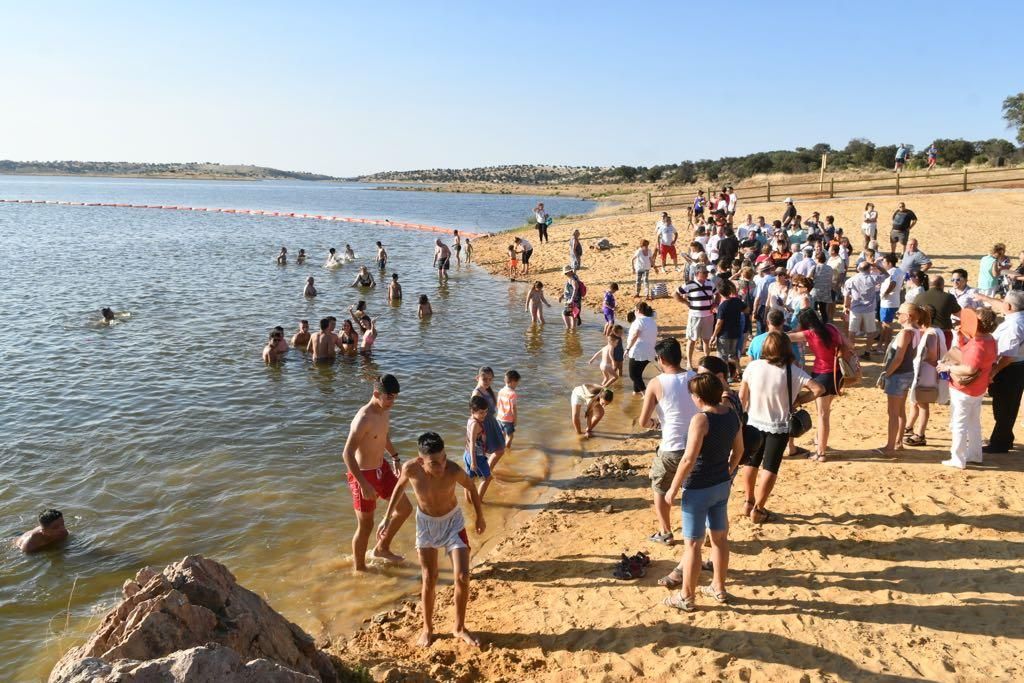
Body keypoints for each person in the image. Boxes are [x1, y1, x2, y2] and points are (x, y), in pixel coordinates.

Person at [378, 432, 484, 648]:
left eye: (443, 458)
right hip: (426, 525)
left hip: (452, 522)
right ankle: (427, 629)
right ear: (420, 461)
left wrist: (480, 516)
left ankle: (459, 627)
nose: (441, 465)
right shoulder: (411, 469)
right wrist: (386, 518)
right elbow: (398, 488)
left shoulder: (453, 470)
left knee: (463, 576)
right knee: (429, 577)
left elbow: (471, 487)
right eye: (434, 463)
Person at [661, 373, 743, 611]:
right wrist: (728, 471)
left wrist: (673, 489)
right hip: (721, 485)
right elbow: (739, 450)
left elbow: (688, 459)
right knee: (719, 539)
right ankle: (719, 587)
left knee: (693, 545)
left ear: (699, 397)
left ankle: (686, 597)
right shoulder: (731, 415)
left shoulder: (701, 420)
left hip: (698, 488)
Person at [740, 333, 824, 523]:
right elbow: (819, 389)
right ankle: (758, 509)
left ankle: (747, 500)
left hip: (754, 422)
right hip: (779, 425)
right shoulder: (793, 371)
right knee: (770, 466)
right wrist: (800, 400)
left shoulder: (753, 367)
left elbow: (742, 397)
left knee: (751, 462)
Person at [342, 374, 410, 571]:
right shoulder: (363, 418)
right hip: (364, 475)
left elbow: (382, 436)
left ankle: (382, 548)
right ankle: (360, 569)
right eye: (389, 397)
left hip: (383, 469)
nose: (393, 402)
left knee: (404, 509)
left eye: (395, 397)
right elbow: (346, 454)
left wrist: (395, 457)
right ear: (376, 393)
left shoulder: (384, 410)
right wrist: (363, 483)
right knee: (366, 526)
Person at [638, 337, 698, 545]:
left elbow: (643, 421)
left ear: (661, 359)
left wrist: (657, 424)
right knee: (694, 490)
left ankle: (665, 531)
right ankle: (699, 531)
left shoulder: (656, 383)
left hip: (672, 447)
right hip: (697, 445)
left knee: (661, 487)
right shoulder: (695, 377)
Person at [938, 309, 999, 468]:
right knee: (973, 423)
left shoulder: (978, 345)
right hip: (978, 388)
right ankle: (975, 454)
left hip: (964, 389)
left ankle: (957, 459)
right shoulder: (989, 339)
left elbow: (970, 369)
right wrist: (960, 337)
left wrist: (947, 368)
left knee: (959, 424)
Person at [787, 309, 850, 461]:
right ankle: (820, 441)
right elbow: (848, 344)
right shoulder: (831, 328)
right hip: (837, 375)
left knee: (822, 415)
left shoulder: (809, 334)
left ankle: (820, 452)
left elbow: (786, 338)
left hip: (822, 374)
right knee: (826, 412)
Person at [981, 291, 1024, 453]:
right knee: (1008, 405)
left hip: (1008, 369)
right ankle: (1004, 438)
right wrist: (985, 298)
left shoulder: (1014, 324)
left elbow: (1008, 356)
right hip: (1016, 367)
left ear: (1009, 306)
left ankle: (1001, 442)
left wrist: (993, 372)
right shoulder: (1018, 318)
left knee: (1004, 406)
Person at [878, 304, 921, 455]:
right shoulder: (917, 331)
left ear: (908, 316)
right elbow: (912, 355)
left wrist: (886, 374)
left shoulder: (905, 333)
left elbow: (898, 358)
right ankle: (897, 442)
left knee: (893, 413)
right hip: (907, 372)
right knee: (900, 411)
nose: (897, 316)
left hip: (898, 374)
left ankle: (890, 447)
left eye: (899, 313)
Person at [905, 305, 946, 447]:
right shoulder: (934, 331)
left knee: (922, 403)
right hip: (925, 371)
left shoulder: (931, 333)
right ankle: (909, 426)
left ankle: (920, 434)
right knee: (915, 401)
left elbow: (931, 356)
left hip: (926, 372)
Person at [470, 366, 507, 497]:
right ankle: (485, 473)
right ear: (477, 378)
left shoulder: (487, 390)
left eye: (490, 379)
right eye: (484, 379)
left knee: (500, 450)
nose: (487, 381)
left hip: (492, 422)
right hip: (484, 425)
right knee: (496, 451)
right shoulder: (477, 393)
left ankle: (487, 471)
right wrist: (475, 431)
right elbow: (473, 414)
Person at [677, 266, 716, 370]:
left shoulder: (710, 283)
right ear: (697, 273)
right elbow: (675, 293)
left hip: (708, 315)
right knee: (692, 340)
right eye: (704, 273)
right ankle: (689, 363)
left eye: (706, 273)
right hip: (695, 316)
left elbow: (717, 294)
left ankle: (707, 362)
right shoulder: (689, 284)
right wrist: (685, 302)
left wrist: (714, 304)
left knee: (706, 340)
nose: (706, 275)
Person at [843, 261, 881, 358]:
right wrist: (876, 266)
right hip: (869, 309)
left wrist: (845, 306)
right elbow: (887, 275)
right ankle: (867, 351)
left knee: (852, 331)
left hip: (855, 309)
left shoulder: (850, 280)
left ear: (858, 269)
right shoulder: (873, 278)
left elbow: (846, 295)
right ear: (869, 269)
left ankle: (851, 352)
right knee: (870, 332)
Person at [711, 280, 746, 381]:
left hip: (724, 335)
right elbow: (746, 309)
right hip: (735, 333)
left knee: (722, 357)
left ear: (720, 293)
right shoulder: (737, 301)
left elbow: (719, 323)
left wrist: (713, 336)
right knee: (733, 355)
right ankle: (738, 372)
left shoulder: (723, 306)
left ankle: (725, 378)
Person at [915, 275, 960, 348]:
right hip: (944, 333)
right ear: (942, 285)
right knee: (942, 357)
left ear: (929, 285)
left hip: (924, 332)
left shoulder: (919, 296)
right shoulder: (949, 297)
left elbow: (913, 312)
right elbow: (958, 314)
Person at [625, 302, 658, 394]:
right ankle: (636, 391)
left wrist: (627, 348)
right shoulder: (651, 320)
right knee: (638, 374)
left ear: (638, 310)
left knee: (633, 375)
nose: (634, 312)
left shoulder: (639, 321)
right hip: (649, 352)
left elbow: (635, 335)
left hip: (638, 352)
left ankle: (646, 394)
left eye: (635, 310)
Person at [878, 254, 906, 351]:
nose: (883, 264)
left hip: (888, 302)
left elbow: (893, 283)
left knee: (886, 325)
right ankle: (883, 346)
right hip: (894, 301)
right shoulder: (899, 271)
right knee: (887, 324)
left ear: (889, 263)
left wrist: (885, 293)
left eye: (884, 262)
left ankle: (884, 347)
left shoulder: (892, 272)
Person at [496, 370, 520, 449]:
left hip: (499, 417)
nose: (517, 384)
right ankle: (507, 450)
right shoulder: (512, 394)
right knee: (510, 436)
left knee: (502, 433)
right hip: (508, 420)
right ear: (513, 382)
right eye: (517, 382)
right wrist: (515, 420)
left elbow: (498, 404)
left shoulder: (501, 391)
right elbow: (513, 408)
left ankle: (501, 447)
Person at [558, 266, 582, 331]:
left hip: (572, 302)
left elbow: (575, 288)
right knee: (573, 315)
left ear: (569, 272)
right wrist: (562, 296)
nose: (565, 275)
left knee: (565, 313)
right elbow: (569, 290)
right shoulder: (574, 276)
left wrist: (571, 299)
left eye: (566, 273)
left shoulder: (572, 279)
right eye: (565, 273)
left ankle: (568, 328)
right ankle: (572, 332)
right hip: (576, 301)